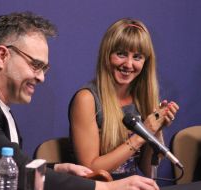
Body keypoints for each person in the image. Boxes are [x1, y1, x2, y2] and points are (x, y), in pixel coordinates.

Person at [0, 12, 159, 190]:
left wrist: (56, 169)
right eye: (35, 65)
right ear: (2, 56)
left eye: (44, 68)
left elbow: (9, 166)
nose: (41, 77)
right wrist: (106, 187)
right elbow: (18, 173)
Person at [69, 18, 179, 180]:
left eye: (137, 57)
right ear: (107, 55)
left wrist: (156, 129)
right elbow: (90, 171)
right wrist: (143, 133)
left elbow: (148, 170)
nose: (128, 64)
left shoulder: (142, 99)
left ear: (145, 63)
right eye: (121, 54)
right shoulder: (87, 99)